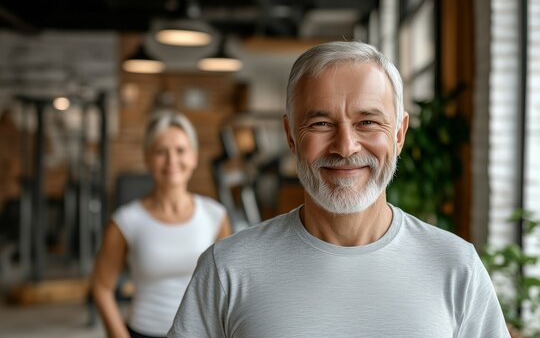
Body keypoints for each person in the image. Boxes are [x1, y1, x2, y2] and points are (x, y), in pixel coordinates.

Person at [168, 42, 510, 337]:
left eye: (368, 122)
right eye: (321, 123)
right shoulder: (228, 267)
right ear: (290, 135)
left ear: (400, 134)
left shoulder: (455, 265)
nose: (345, 147)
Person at [91, 111, 231, 338]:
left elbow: (227, 285)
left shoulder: (215, 215)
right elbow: (101, 287)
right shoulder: (126, 220)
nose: (172, 160)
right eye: (160, 152)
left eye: (180, 151)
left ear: (194, 157)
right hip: (143, 331)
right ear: (147, 158)